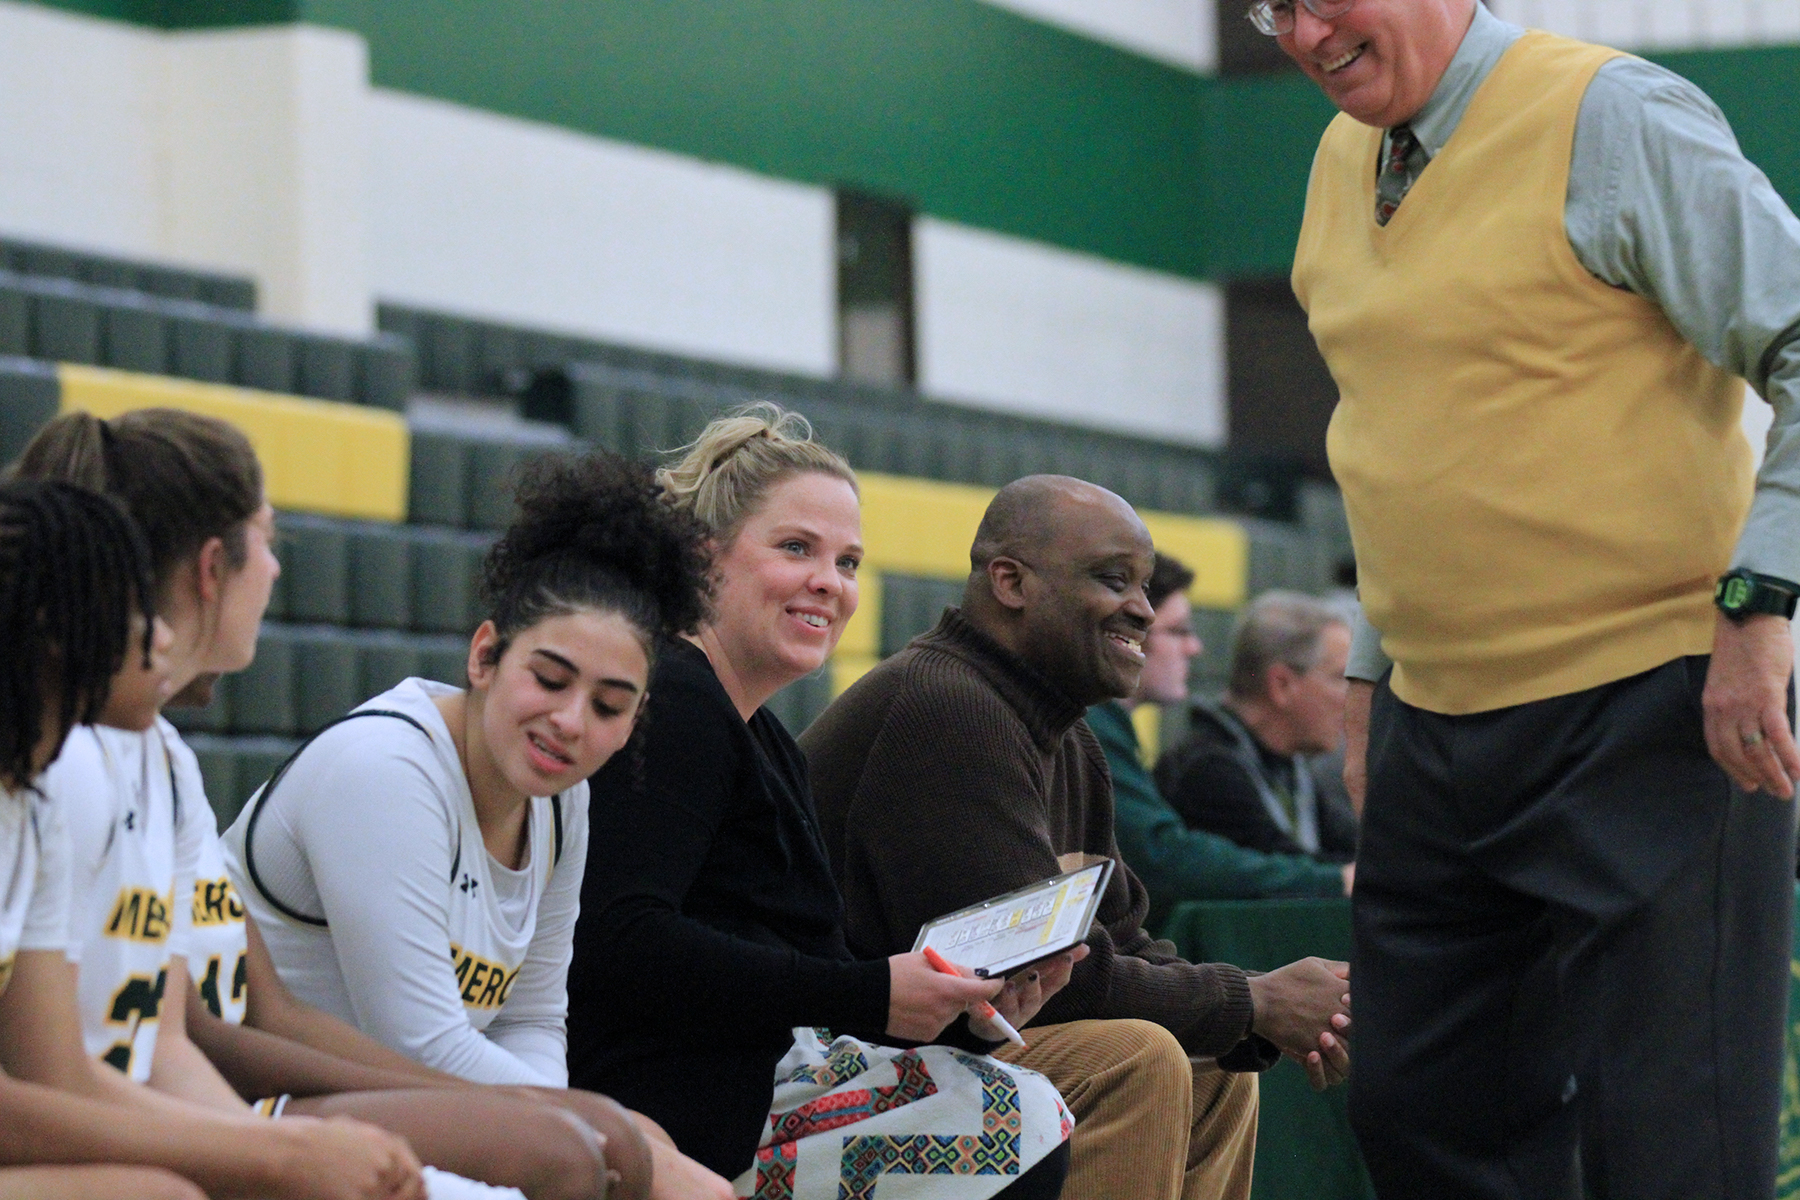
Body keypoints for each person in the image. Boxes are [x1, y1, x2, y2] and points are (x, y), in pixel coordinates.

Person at [1272, 0, 1800, 1193]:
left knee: (1675, 1147)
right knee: (1419, 1118)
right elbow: (1395, 427)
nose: (1302, 35)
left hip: (1655, 711)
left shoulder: (1618, 113)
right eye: (1269, 9)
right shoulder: (1338, 156)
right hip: (1433, 726)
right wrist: (1369, 665)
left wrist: (1760, 605)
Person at [16, 410, 712, 1200]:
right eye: (270, 540)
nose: (572, 720)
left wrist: (548, 1107)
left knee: (592, 1140)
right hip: (174, 1122)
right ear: (214, 569)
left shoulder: (163, 759)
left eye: (611, 705)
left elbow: (220, 1022)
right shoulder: (69, 769)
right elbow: (81, 1069)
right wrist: (269, 1152)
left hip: (206, 1109)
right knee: (575, 1150)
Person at [569, 406, 1075, 1200]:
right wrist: (871, 992)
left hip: (772, 1076)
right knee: (1019, 1116)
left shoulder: (760, 734)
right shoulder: (671, 698)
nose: (828, 584)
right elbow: (622, 938)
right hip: (675, 1108)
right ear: (703, 558)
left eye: (847, 563)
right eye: (796, 548)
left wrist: (962, 1003)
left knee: (1025, 1101)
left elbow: (817, 976)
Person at [801, 475, 1354, 1200]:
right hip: (822, 1077)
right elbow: (1039, 984)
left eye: (1147, 587)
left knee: (1215, 1064)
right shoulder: (947, 708)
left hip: (931, 1061)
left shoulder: (1067, 738)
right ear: (1010, 581)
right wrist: (1255, 1002)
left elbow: (1118, 943)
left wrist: (1261, 1012)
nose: (1144, 610)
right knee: (1136, 1057)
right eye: (1112, 579)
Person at [221, 447, 734, 1198]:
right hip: (259, 1104)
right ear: (485, 655)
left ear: (636, 719)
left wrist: (581, 1133)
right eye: (550, 679)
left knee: (622, 1148)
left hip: (403, 1104)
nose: (568, 722)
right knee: (616, 1149)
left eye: (608, 704)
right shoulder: (385, 769)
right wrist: (584, 1134)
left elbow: (533, 1016)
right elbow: (420, 1042)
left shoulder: (564, 797)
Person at [0, 476, 428, 1200]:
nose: (166, 636)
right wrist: (274, 1156)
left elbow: (63, 1075)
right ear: (54, 628)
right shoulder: (64, 788)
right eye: (139, 612)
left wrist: (278, 1150)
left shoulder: (33, 800)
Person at [1097, 558, 1349, 933]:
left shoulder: (1288, 765)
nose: (1196, 647)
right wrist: (1340, 880)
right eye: (1179, 631)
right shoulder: (1203, 767)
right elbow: (1163, 859)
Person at [1153, 591, 1357, 864]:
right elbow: (1298, 877)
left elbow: (1354, 849)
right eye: (1339, 678)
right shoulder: (1208, 771)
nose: (1352, 700)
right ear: (1281, 685)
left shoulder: (1287, 767)